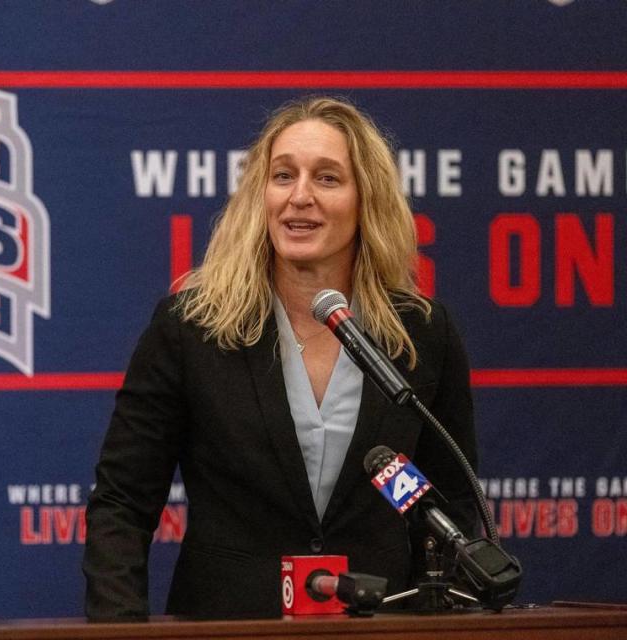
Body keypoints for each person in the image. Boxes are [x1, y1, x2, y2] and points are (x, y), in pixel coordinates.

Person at [83, 96, 478, 620]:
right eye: (283, 176)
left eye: (328, 178)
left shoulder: (421, 333)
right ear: (259, 196)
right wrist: (120, 634)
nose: (300, 197)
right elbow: (122, 505)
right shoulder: (192, 326)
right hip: (226, 628)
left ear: (367, 201)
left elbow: (450, 507)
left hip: (379, 626)